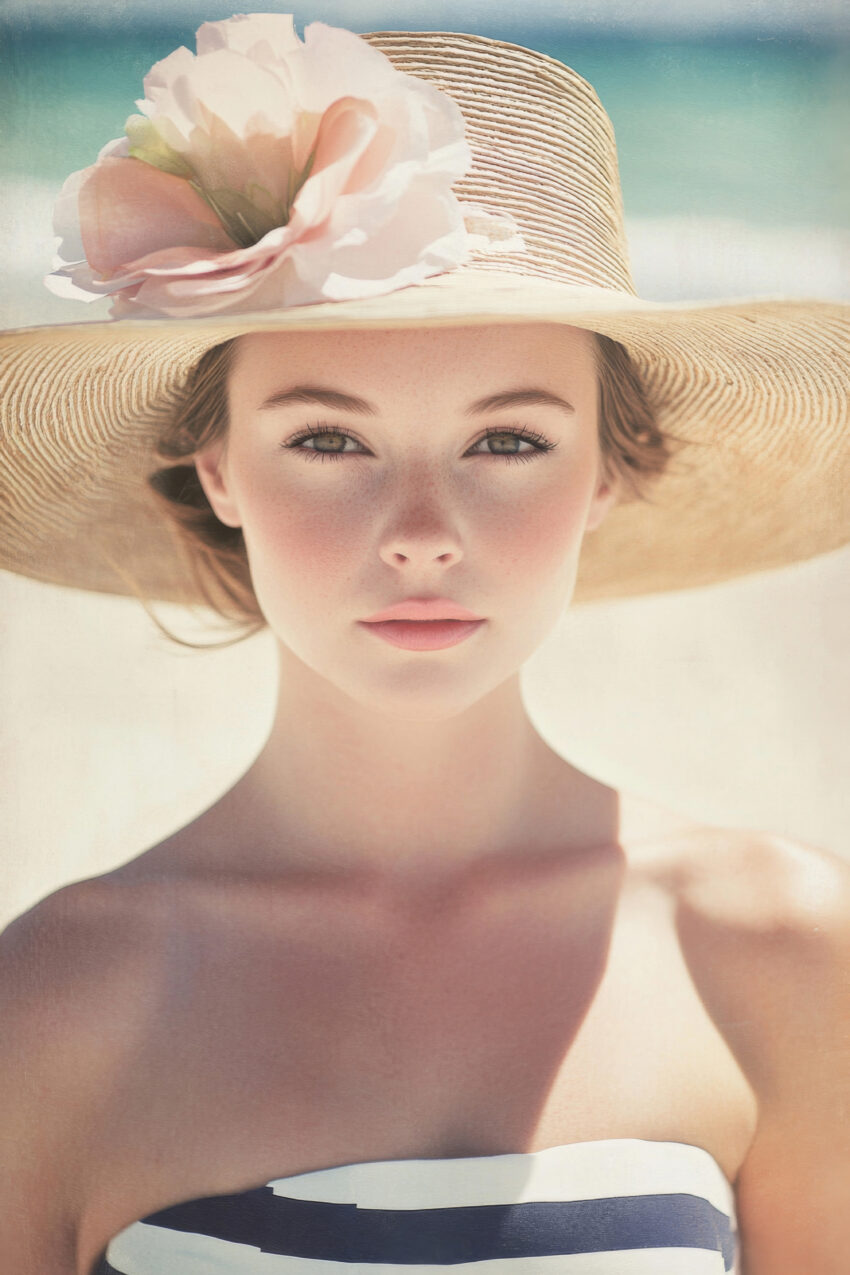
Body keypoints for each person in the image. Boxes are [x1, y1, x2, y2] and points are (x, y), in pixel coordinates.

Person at [1, 13, 848, 1275]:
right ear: (218, 465)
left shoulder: (777, 947)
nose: (419, 536)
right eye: (327, 440)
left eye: (507, 441)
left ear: (607, 474)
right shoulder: (50, 1002)